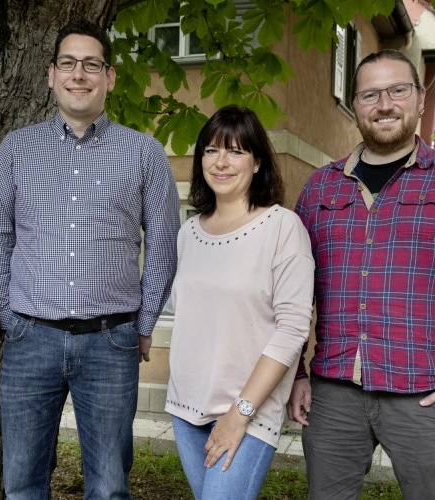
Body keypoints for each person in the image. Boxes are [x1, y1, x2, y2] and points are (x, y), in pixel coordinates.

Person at [286, 49, 435, 500]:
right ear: (355, 106)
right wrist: (297, 374)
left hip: (425, 394)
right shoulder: (321, 187)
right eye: (370, 94)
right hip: (334, 394)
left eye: (397, 90)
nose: (384, 104)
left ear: (420, 99)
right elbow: (293, 290)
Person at [0, 20, 180, 500]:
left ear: (109, 77)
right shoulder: (15, 149)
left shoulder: (145, 153)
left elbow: (165, 240)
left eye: (91, 64)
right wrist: (12, 319)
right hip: (31, 337)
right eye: (68, 63)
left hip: (111, 342)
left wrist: (145, 321)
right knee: (22, 484)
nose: (79, 74)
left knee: (110, 487)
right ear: (51, 75)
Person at [165, 106, 314, 499]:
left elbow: (293, 329)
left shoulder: (283, 228)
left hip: (247, 411)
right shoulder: (188, 233)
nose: (221, 162)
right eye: (211, 151)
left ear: (258, 160)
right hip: (185, 407)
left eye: (235, 151)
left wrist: (239, 413)